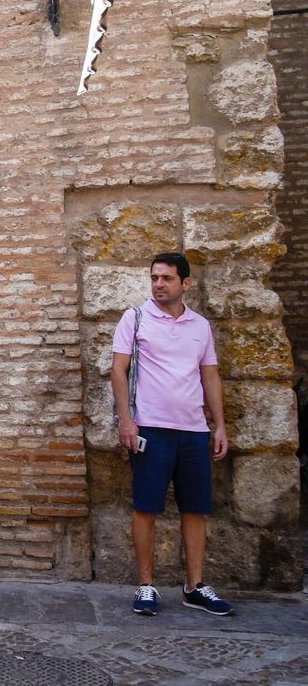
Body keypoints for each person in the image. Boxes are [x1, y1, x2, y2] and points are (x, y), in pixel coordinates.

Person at [110, 252, 232, 617]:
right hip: (150, 429)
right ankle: (146, 586)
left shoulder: (200, 326)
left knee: (196, 509)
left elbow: (209, 375)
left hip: (193, 430)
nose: (159, 284)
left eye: (166, 278)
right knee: (146, 507)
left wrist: (219, 424)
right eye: (154, 278)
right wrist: (126, 421)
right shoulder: (135, 319)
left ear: (185, 284)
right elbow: (119, 371)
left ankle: (194, 587)